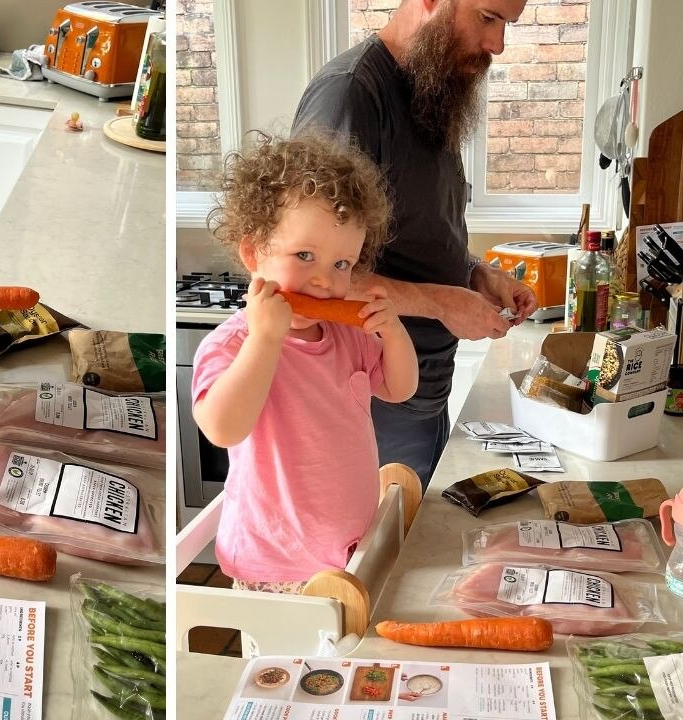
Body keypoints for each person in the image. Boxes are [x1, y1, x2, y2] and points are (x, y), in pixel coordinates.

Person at [293, 0, 538, 488]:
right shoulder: (351, 96)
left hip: (421, 388)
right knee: (375, 559)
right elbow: (307, 277)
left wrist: (473, 273)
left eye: (506, 26)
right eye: (488, 18)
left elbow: (417, 230)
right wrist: (442, 302)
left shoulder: (433, 87)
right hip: (369, 396)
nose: (498, 45)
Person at [192, 132, 419, 592]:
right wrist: (266, 339)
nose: (323, 279)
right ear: (255, 253)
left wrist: (394, 333)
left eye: (342, 264)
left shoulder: (348, 335)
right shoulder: (233, 345)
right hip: (276, 567)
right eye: (305, 256)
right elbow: (222, 428)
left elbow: (400, 388)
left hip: (350, 555)